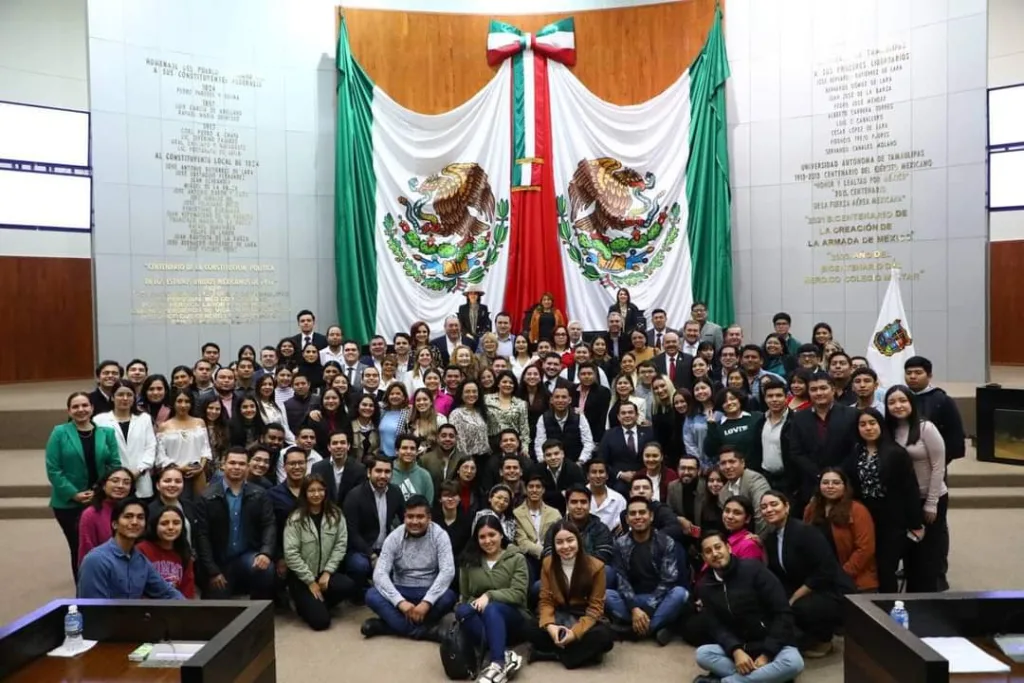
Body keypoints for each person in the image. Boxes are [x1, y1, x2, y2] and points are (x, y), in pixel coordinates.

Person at [693, 531, 804, 683]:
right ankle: (767, 678)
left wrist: (767, 655)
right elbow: (715, 626)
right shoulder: (705, 586)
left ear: (728, 548)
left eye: (718, 547)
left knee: (794, 663)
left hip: (773, 644)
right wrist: (735, 650)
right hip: (742, 647)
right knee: (703, 654)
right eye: (708, 551)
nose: (715, 553)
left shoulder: (754, 569)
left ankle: (731, 681)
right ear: (704, 558)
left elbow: (783, 613)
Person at [760, 490, 854, 658]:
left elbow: (825, 570)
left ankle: (824, 640)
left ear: (786, 507)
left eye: (774, 504)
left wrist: (794, 597)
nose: (769, 509)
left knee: (799, 607)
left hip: (830, 590)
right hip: (805, 588)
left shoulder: (805, 531)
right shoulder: (771, 539)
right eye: (764, 507)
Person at [843, 407, 923, 593]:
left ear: (881, 425)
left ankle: (890, 606)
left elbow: (910, 489)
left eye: (872, 423)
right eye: (863, 424)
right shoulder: (855, 453)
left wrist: (915, 523)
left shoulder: (896, 453)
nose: (868, 428)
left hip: (891, 520)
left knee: (886, 568)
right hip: (865, 518)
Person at [46, 391, 122, 582]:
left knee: (105, 544)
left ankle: (107, 584)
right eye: (76, 407)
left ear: (92, 408)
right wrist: (74, 494)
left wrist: (100, 491)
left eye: (85, 405)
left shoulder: (107, 433)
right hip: (69, 503)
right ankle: (85, 589)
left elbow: (114, 465)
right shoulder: (59, 432)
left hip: (101, 499)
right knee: (79, 547)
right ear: (69, 411)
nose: (81, 410)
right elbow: (54, 469)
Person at [524, 520, 614, 668]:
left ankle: (553, 654)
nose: (565, 546)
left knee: (605, 637)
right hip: (559, 615)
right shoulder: (548, 563)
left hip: (584, 617)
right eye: (559, 542)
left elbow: (595, 609)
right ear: (554, 545)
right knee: (528, 627)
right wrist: (551, 628)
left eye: (570, 540)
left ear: (578, 541)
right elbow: (546, 601)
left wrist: (574, 633)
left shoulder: (596, 567)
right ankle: (580, 654)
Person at [885, 385, 948, 593]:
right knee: (910, 550)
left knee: (928, 553)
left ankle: (929, 595)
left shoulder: (926, 428)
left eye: (902, 401)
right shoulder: (888, 430)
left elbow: (939, 467)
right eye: (892, 402)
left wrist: (931, 502)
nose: (898, 406)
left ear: (911, 403)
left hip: (930, 496)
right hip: (905, 500)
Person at [194, 449, 276, 600]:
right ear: (223, 465)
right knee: (217, 605)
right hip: (219, 561)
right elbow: (202, 536)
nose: (237, 467)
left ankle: (260, 608)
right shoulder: (207, 497)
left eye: (241, 464)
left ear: (248, 466)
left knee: (266, 569)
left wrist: (265, 552)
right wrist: (212, 570)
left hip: (247, 557)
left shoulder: (259, 494)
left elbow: (269, 524)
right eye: (232, 463)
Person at [605, 497, 687, 645]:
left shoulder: (666, 542)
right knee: (607, 595)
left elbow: (668, 580)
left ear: (651, 516)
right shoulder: (620, 544)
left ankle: (634, 631)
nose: (638, 517)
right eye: (633, 513)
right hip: (632, 598)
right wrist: (634, 608)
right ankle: (657, 627)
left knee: (680, 594)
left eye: (642, 512)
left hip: (659, 600)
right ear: (627, 519)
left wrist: (648, 609)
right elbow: (621, 580)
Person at [457, 516, 530, 682]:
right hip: (482, 617)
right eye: (482, 537)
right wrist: (474, 604)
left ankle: (498, 663)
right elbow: (465, 596)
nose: (487, 540)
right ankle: (504, 654)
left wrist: (489, 596)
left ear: (501, 535)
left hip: (513, 617)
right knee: (462, 611)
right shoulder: (468, 561)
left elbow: (519, 593)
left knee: (493, 608)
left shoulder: (516, 558)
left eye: (492, 535)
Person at [283, 474, 356, 630]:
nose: (316, 494)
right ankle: (304, 604)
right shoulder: (295, 519)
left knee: (348, 585)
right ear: (305, 493)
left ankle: (318, 604)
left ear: (325, 491)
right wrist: (310, 581)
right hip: (302, 578)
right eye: (311, 491)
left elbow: (340, 545)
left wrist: (328, 572)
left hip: (325, 573)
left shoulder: (336, 515)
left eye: (320, 490)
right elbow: (291, 554)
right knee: (321, 622)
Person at [77, 498, 184, 600]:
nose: (134, 522)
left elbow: (168, 593)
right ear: (115, 524)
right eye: (128, 516)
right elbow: (92, 607)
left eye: (140, 517)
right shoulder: (96, 560)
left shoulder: (140, 561)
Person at [786, 372, 858, 513]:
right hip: (811, 483)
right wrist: (819, 475)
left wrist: (836, 474)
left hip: (845, 481)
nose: (819, 393)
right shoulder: (799, 418)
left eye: (823, 388)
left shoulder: (851, 414)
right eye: (813, 389)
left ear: (833, 389)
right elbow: (796, 451)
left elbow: (855, 449)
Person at [803, 468, 878, 592]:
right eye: (825, 482)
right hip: (820, 580)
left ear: (845, 486)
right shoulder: (811, 509)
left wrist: (841, 575)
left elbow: (865, 549)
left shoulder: (858, 510)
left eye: (836, 483)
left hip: (855, 581)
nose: (830, 486)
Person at [343, 456, 406, 591]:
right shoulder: (354, 496)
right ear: (368, 472)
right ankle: (360, 592)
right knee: (360, 565)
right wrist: (372, 555)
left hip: (386, 547)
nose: (383, 475)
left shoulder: (395, 492)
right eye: (378, 471)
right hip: (361, 549)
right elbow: (352, 532)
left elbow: (405, 519)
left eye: (387, 472)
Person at [904, 355, 966, 463]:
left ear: (929, 376)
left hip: (934, 460)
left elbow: (954, 434)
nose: (912, 376)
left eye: (918, 373)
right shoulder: (900, 398)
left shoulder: (942, 400)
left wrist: (942, 459)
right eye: (908, 373)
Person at [543, 485, 617, 573]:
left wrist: (576, 566)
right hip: (562, 573)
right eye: (574, 502)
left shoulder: (600, 528)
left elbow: (604, 556)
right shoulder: (555, 528)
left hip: (591, 573)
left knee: (608, 571)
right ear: (567, 504)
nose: (579, 506)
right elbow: (548, 554)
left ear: (590, 504)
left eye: (583, 502)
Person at [156, 389, 212, 498]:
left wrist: (201, 467)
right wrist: (180, 468)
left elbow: (205, 449)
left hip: (198, 473)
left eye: (187, 401)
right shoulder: (164, 426)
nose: (183, 405)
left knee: (199, 504)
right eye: (179, 401)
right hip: (174, 475)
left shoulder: (200, 422)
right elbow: (161, 456)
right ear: (174, 403)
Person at [77, 467, 135, 564]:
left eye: (126, 482)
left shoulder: (136, 511)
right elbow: (86, 550)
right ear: (104, 485)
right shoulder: (91, 514)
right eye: (115, 481)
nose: (120, 486)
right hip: (103, 566)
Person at [137, 505, 196, 598]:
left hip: (176, 605)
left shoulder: (184, 553)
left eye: (176, 523)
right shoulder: (141, 550)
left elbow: (187, 592)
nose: (171, 527)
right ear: (155, 526)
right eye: (164, 523)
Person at [598, 402, 654, 495]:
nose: (627, 415)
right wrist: (620, 474)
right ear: (618, 417)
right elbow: (602, 461)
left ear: (637, 415)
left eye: (630, 412)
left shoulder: (649, 432)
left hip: (645, 478)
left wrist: (641, 473)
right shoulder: (609, 435)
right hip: (618, 482)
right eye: (623, 413)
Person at [717, 446, 771, 534]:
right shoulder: (723, 492)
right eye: (723, 463)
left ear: (742, 463)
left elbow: (762, 515)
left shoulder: (755, 480)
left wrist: (759, 539)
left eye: (732, 462)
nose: (727, 466)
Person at [751, 378, 792, 493]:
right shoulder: (760, 421)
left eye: (779, 396)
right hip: (765, 478)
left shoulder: (796, 421)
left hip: (789, 480)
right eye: (770, 396)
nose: (774, 399)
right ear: (765, 399)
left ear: (786, 398)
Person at [311, 429, 366, 507]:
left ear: (348, 446)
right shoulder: (318, 468)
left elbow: (359, 497)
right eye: (335, 443)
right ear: (329, 447)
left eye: (342, 443)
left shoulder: (359, 469)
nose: (339, 446)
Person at [148, 465, 199, 545]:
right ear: (158, 485)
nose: (172, 485)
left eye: (178, 481)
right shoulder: (150, 511)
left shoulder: (189, 506)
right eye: (167, 481)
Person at [485, 371, 531, 455]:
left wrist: (525, 448)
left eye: (511, 383)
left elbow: (524, 429)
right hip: (491, 444)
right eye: (504, 382)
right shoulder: (486, 399)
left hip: (512, 444)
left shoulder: (521, 404)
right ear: (498, 384)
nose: (508, 384)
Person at [536, 439, 586, 514]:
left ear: (562, 454)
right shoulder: (538, 470)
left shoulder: (574, 469)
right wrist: (561, 493)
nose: (553, 458)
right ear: (544, 457)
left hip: (569, 510)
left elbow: (578, 493)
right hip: (544, 510)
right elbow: (538, 494)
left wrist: (551, 495)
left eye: (556, 454)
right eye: (548, 455)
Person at [586, 459, 626, 534]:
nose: (598, 476)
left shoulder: (619, 499)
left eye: (601, 472)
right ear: (588, 476)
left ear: (607, 476)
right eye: (594, 472)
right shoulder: (578, 496)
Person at [574, 362, 611, 444]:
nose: (586, 376)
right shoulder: (572, 389)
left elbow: (601, 417)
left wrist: (582, 414)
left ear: (595, 375)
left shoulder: (603, 392)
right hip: (575, 433)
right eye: (583, 374)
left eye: (590, 374)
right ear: (578, 376)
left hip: (594, 433)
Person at [435, 480, 473, 560]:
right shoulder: (433, 521)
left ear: (459, 498)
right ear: (440, 499)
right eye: (446, 495)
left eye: (454, 495)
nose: (450, 499)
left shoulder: (467, 521)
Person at [392, 433, 435, 504]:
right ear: (397, 451)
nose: (408, 452)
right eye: (404, 448)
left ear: (417, 452)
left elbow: (428, 504)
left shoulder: (424, 476)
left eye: (412, 449)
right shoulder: (387, 472)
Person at [685, 379, 718, 468]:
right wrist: (700, 464)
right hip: (700, 466)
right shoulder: (691, 415)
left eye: (703, 388)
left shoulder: (721, 412)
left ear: (711, 389)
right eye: (697, 389)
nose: (700, 391)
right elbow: (689, 443)